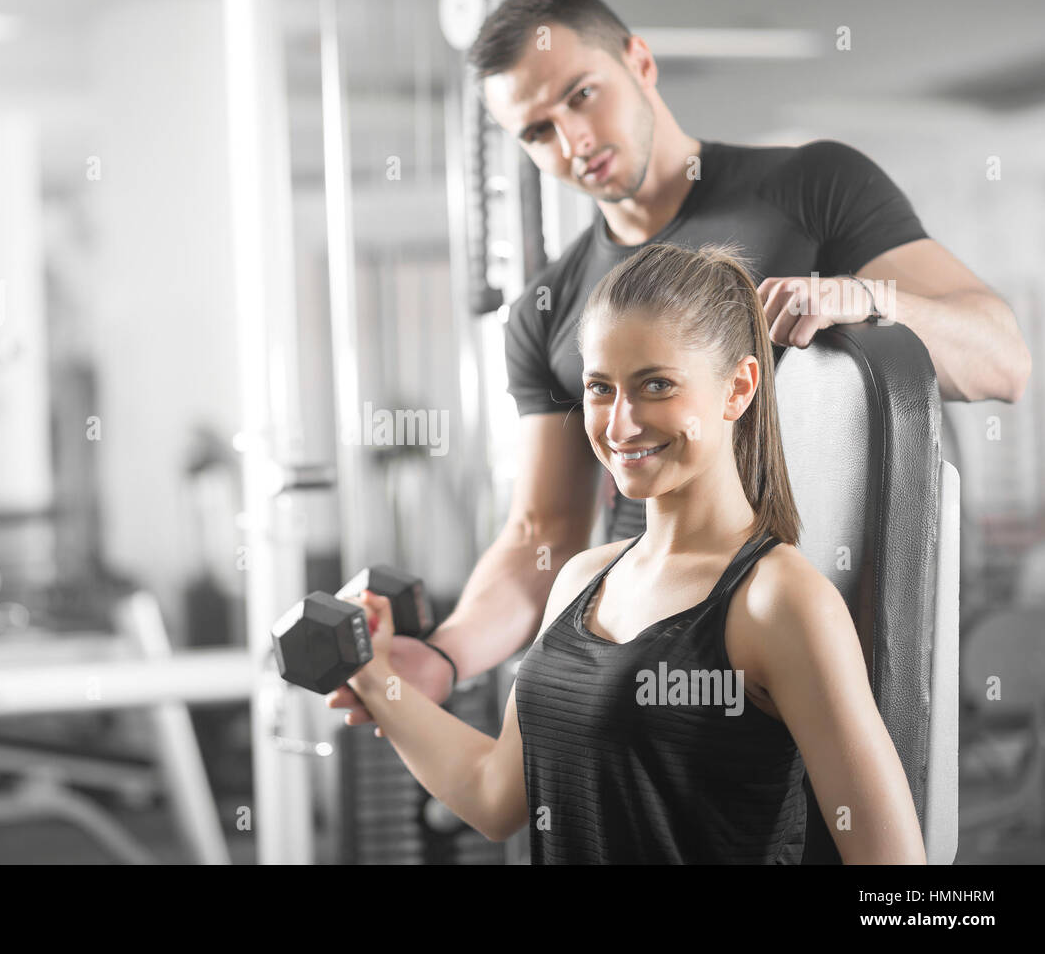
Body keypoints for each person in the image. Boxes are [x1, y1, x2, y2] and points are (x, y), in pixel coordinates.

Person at [329, 0, 1030, 727]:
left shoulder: (813, 187)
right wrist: (443, 656)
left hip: (838, 647)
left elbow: (1003, 363)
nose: (571, 139)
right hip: (660, 673)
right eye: (537, 131)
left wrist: (870, 300)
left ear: (639, 60)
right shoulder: (549, 307)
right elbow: (543, 532)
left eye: (581, 95)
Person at [343, 241, 927, 863]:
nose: (620, 425)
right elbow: (494, 795)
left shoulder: (777, 600)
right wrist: (373, 675)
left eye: (656, 385)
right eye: (600, 388)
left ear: (738, 389)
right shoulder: (580, 580)